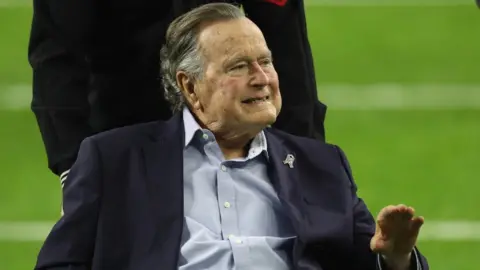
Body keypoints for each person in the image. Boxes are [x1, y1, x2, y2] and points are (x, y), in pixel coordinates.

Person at [35, 3, 428, 270]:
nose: (261, 77)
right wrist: (71, 157)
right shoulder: (114, 165)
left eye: (266, 63)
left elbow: (375, 257)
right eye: (240, 66)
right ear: (189, 88)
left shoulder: (318, 165)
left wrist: (395, 259)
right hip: (126, 114)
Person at [28, 0, 326, 188]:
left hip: (226, 136)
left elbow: (286, 46)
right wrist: (73, 167)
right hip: (122, 135)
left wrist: (303, 155)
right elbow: (58, 49)